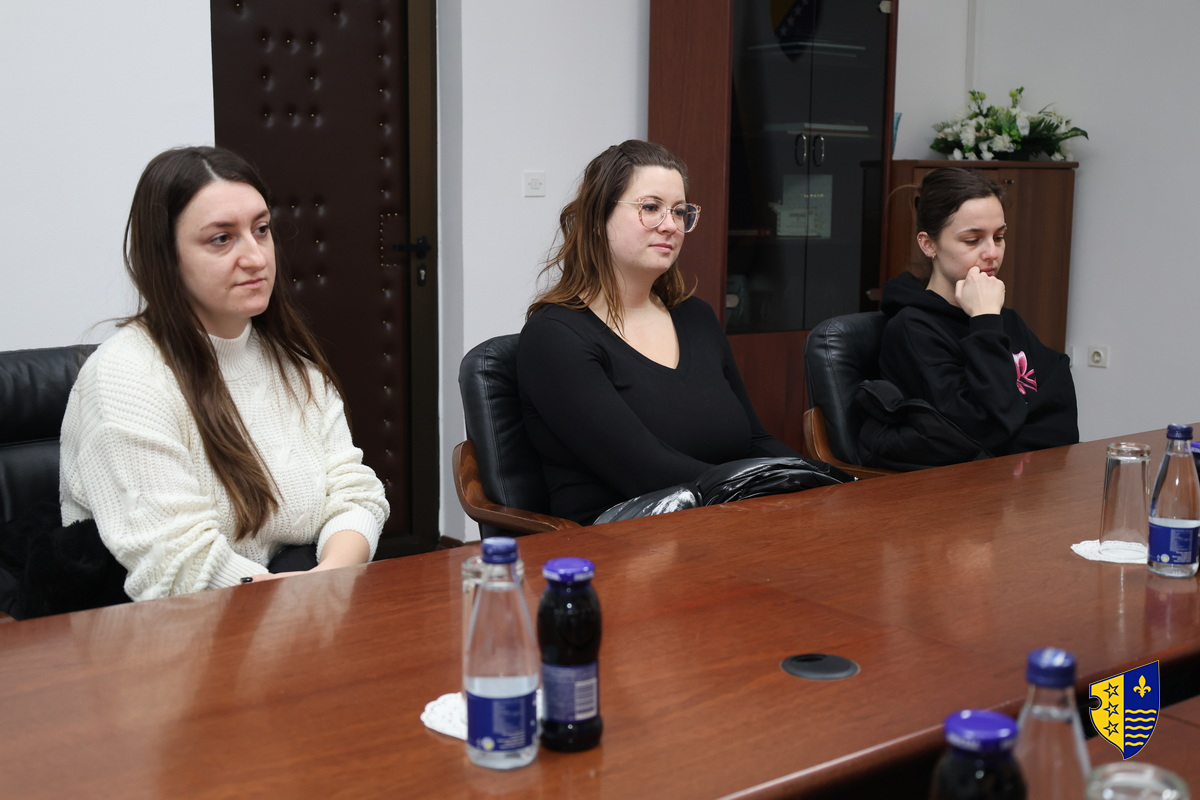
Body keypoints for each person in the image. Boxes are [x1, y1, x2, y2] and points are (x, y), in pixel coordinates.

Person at [60, 146, 389, 601]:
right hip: (175, 627)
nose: (256, 257)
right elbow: (178, 564)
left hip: (299, 602)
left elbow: (356, 495)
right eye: (221, 238)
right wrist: (306, 602)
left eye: (261, 229)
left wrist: (326, 579)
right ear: (166, 256)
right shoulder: (125, 376)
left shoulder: (293, 364)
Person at [518, 139, 798, 525]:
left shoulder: (697, 317)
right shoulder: (555, 337)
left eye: (680, 211)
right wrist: (761, 495)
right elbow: (643, 471)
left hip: (723, 519)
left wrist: (822, 481)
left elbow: (754, 440)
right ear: (597, 220)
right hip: (621, 540)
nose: (671, 226)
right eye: (650, 208)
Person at [876, 167, 1078, 460]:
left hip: (1031, 476)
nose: (992, 253)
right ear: (928, 244)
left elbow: (1063, 421)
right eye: (972, 240)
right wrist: (984, 322)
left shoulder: (1004, 318)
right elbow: (982, 430)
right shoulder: (912, 329)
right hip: (967, 484)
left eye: (999, 237)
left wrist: (988, 318)